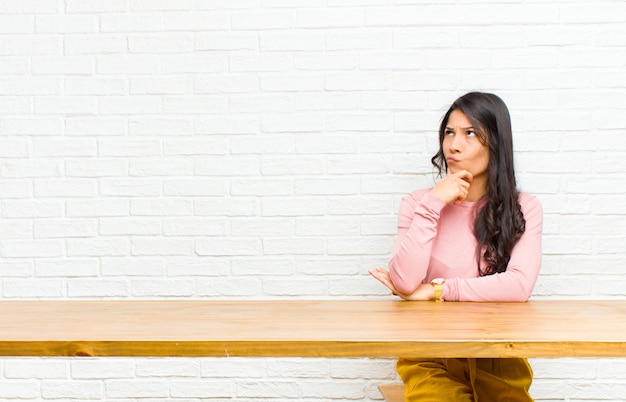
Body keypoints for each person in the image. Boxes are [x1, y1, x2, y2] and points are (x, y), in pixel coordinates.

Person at [369, 92, 542, 401]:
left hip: (499, 353)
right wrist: (434, 202)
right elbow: (406, 282)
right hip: (428, 353)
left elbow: (518, 286)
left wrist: (436, 290)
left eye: (470, 133)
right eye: (449, 132)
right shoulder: (417, 203)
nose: (453, 145)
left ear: (496, 143)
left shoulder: (523, 207)